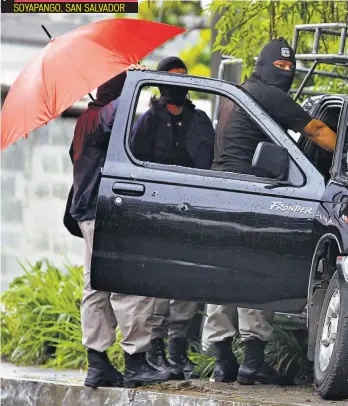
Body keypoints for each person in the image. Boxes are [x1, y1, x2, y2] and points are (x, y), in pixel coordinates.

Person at [205, 38, 337, 386]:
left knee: (221, 272)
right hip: (249, 193)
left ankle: (223, 362)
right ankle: (252, 362)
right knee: (252, 272)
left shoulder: (238, 94)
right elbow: (318, 131)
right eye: (279, 67)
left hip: (220, 191)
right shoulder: (268, 95)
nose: (285, 73)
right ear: (263, 65)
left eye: (289, 68)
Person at [63, 65, 174, 389]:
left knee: (95, 287)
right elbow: (117, 118)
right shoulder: (100, 118)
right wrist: (135, 83)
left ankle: (98, 363)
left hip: (87, 211)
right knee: (128, 285)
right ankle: (135, 362)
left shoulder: (85, 119)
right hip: (105, 210)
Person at [129, 56, 214, 379]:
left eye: (183, 76)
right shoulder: (149, 120)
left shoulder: (200, 120)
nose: (178, 83)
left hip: (191, 210)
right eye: (172, 77)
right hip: (157, 211)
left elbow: (208, 164)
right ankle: (156, 350)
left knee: (186, 281)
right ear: (161, 81)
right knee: (158, 283)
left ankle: (178, 349)